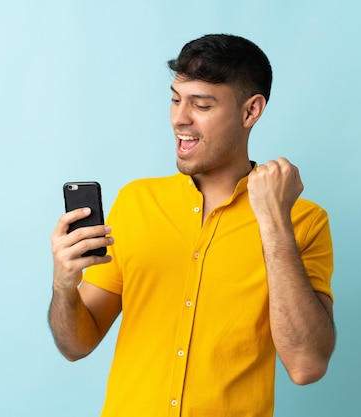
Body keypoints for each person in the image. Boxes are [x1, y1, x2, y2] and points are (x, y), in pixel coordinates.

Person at [48, 34, 335, 417]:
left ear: (251, 111)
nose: (179, 118)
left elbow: (306, 366)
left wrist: (273, 223)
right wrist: (63, 286)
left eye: (201, 104)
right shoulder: (136, 202)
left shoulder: (302, 221)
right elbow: (75, 346)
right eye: (175, 99)